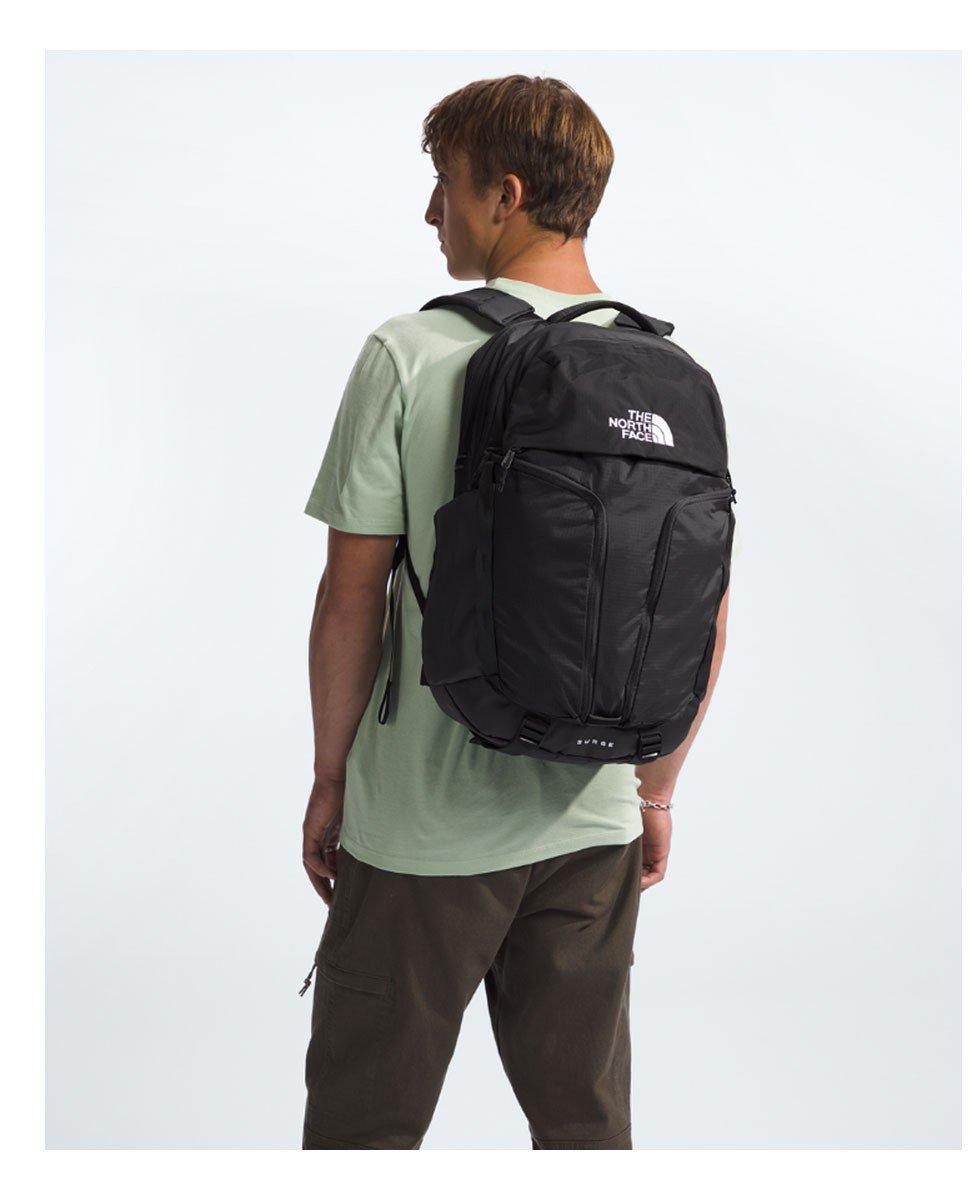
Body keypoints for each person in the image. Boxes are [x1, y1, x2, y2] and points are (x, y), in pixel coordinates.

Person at [300, 75, 729, 1150]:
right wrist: (655, 789)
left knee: (362, 1133)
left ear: (507, 194)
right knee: (585, 1133)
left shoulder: (410, 351)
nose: (430, 212)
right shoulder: (671, 371)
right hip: (595, 818)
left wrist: (331, 780)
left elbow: (350, 596)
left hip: (423, 825)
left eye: (443, 185)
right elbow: (702, 605)